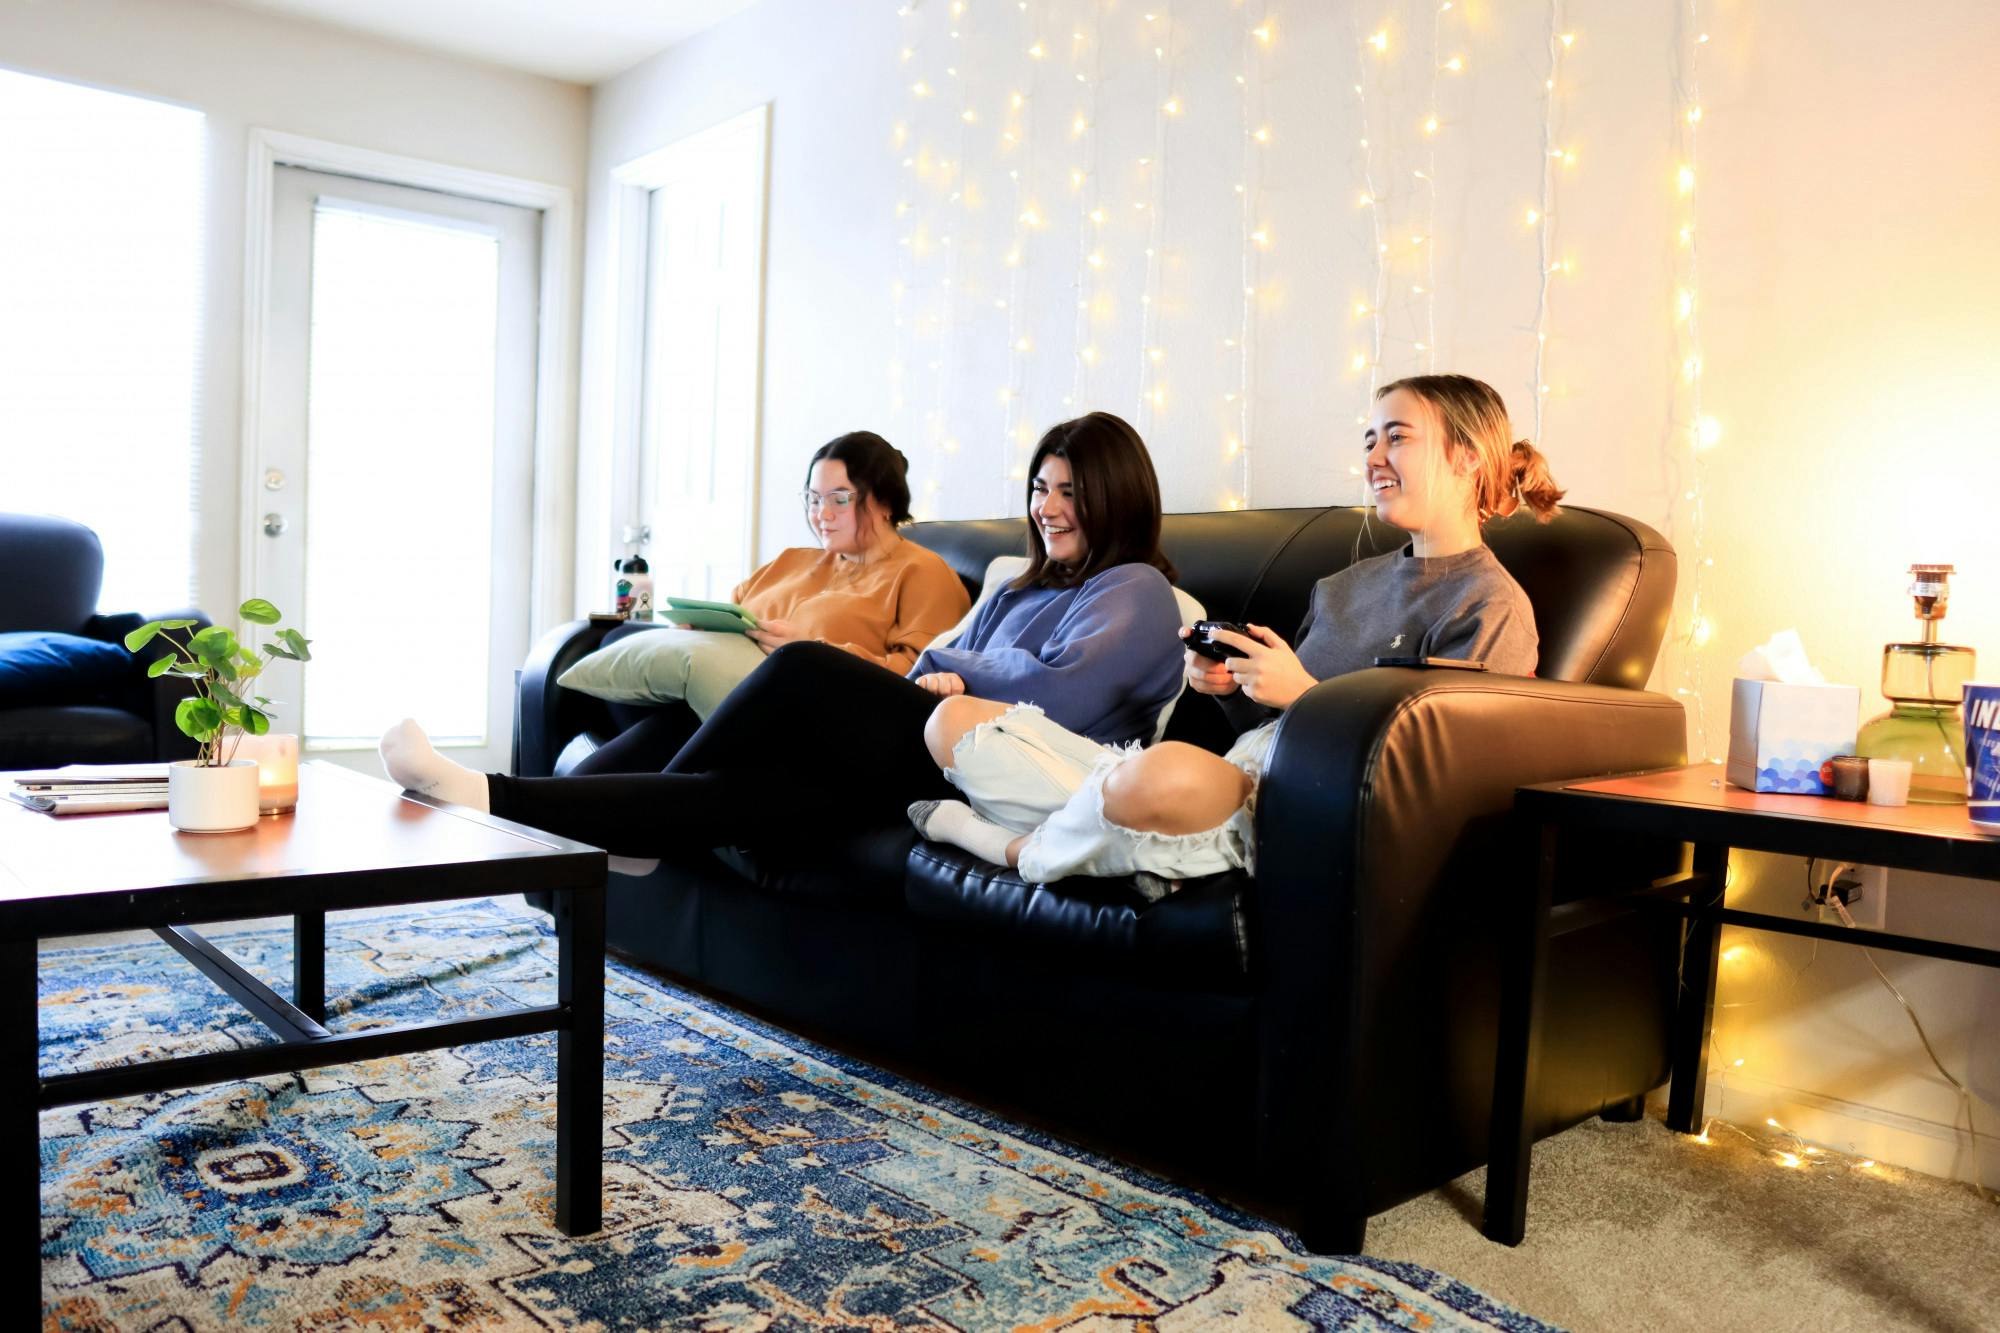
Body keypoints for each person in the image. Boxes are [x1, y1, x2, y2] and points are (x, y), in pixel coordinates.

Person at [378, 412, 1187, 864]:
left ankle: (635, 832)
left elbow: (1059, 688)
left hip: (997, 761)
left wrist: (950, 671)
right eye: (1041, 488)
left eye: (1070, 491)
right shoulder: (1020, 581)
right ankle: (494, 800)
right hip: (940, 746)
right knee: (724, 776)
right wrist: (949, 669)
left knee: (803, 664)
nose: (1048, 507)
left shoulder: (1138, 590)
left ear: (1114, 495)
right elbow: (956, 649)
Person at [908, 373, 1564, 889]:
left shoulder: (1490, 605)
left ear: (1467, 457)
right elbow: (1260, 727)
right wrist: (1228, 688)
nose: (1375, 455)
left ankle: (1015, 845)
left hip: (1298, 812)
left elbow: (1441, 780)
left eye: (1397, 436)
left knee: (1155, 776)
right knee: (955, 721)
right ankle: (1117, 830)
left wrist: (1305, 693)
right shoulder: (1342, 586)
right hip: (1233, 773)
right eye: (1369, 439)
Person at [564, 431, 970, 774]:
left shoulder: (921, 572)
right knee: (616, 641)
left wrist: (816, 650)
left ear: (884, 501)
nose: (821, 514)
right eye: (813, 499)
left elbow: (918, 677)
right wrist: (700, 629)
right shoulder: (793, 560)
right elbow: (735, 609)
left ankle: (576, 819)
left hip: (797, 719)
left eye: (839, 499)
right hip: (717, 700)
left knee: (661, 736)